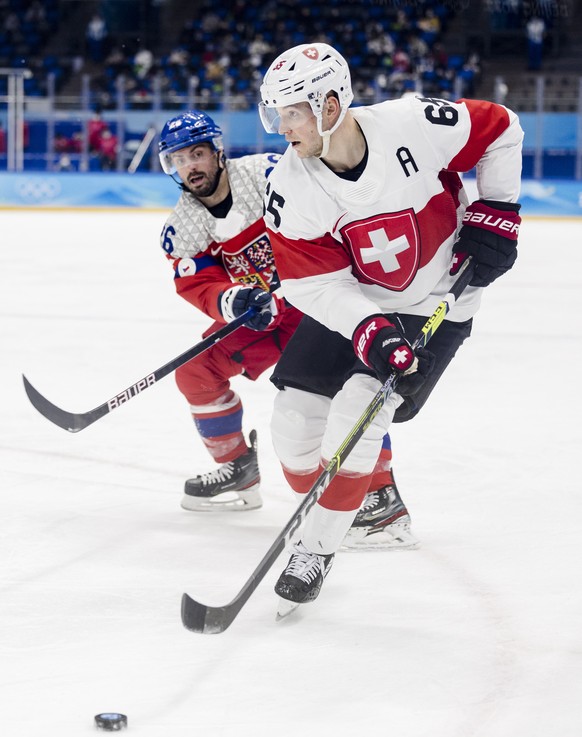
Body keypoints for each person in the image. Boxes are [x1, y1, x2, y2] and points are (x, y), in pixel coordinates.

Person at [258, 43, 523, 607]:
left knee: (361, 410)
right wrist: (368, 327)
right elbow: (311, 284)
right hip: (353, 303)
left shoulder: (415, 123)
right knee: (293, 424)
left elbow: (502, 128)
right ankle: (356, 508)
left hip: (437, 301)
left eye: (292, 112)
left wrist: (499, 210)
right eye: (275, 113)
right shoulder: (290, 186)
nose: (282, 128)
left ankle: (317, 545)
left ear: (331, 104)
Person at [158, 110, 418, 552]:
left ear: (218, 151)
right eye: (179, 160)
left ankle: (379, 496)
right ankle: (238, 466)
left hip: (318, 302)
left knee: (343, 388)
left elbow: (320, 211)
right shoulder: (181, 225)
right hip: (267, 318)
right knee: (196, 371)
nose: (190, 167)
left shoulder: (265, 172)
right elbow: (197, 282)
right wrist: (233, 300)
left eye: (197, 154)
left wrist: (303, 274)